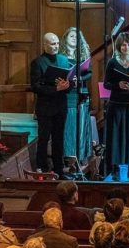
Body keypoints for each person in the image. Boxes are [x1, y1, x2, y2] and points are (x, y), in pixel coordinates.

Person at [104, 32, 129, 181]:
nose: (125, 47)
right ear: (119, 46)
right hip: (116, 104)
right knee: (116, 137)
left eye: (128, 44)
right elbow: (107, 84)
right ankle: (115, 169)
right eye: (123, 44)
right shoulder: (112, 62)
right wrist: (118, 84)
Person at [30, 32, 71, 177]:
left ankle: (58, 170)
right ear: (44, 44)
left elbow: (70, 82)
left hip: (60, 105)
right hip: (45, 107)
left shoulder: (64, 60)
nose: (56, 46)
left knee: (59, 139)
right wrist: (56, 88)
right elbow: (35, 87)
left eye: (57, 43)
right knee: (44, 138)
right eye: (52, 44)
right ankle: (43, 169)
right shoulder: (38, 62)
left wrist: (67, 85)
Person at [59, 27, 92, 165]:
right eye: (71, 36)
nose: (74, 38)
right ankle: (69, 156)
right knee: (70, 125)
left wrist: (80, 78)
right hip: (68, 95)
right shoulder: (60, 56)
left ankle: (82, 154)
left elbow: (89, 72)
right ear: (66, 38)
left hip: (82, 92)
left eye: (77, 37)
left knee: (82, 123)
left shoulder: (83, 55)